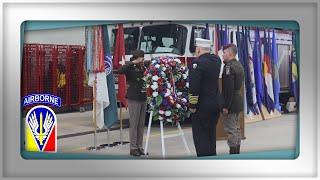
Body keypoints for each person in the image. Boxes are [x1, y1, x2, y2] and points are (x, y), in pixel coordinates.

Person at [189, 38, 222, 157]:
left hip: (202, 106)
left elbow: (194, 87)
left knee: (200, 136)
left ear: (198, 49)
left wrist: (192, 105)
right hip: (215, 103)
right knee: (211, 134)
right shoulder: (217, 60)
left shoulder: (197, 64)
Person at [117, 50, 147, 156]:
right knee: (134, 123)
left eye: (143, 57)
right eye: (141, 57)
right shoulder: (130, 67)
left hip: (143, 97)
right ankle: (133, 148)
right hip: (134, 98)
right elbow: (119, 71)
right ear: (136, 58)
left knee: (141, 123)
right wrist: (133, 62)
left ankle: (139, 146)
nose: (143, 59)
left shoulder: (143, 67)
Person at [221, 44, 245, 154]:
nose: (222, 54)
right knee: (236, 129)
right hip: (237, 101)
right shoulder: (239, 64)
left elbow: (228, 89)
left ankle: (233, 154)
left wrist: (226, 106)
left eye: (224, 52)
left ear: (230, 53)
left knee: (231, 130)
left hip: (231, 103)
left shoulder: (228, 67)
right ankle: (237, 152)